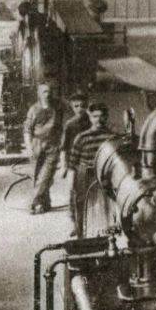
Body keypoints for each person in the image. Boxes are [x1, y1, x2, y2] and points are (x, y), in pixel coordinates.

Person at [65, 101, 118, 238]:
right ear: (90, 118)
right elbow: (72, 163)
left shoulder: (111, 138)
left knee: (105, 206)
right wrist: (71, 183)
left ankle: (106, 236)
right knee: (81, 204)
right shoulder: (82, 138)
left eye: (101, 116)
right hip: (84, 174)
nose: (98, 120)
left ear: (106, 117)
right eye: (95, 116)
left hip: (104, 175)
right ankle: (81, 235)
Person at [23, 83, 63, 214]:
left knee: (45, 176)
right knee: (37, 175)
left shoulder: (57, 108)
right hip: (37, 145)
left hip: (52, 146)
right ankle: (44, 203)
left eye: (50, 91)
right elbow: (27, 130)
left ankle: (32, 203)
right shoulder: (33, 109)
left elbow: (63, 127)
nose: (48, 94)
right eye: (45, 92)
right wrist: (29, 147)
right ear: (39, 94)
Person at [59, 91, 91, 166]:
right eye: (76, 106)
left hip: (89, 157)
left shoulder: (91, 121)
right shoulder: (69, 124)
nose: (79, 109)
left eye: (83, 106)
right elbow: (64, 147)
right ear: (72, 107)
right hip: (74, 158)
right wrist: (63, 165)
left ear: (87, 106)